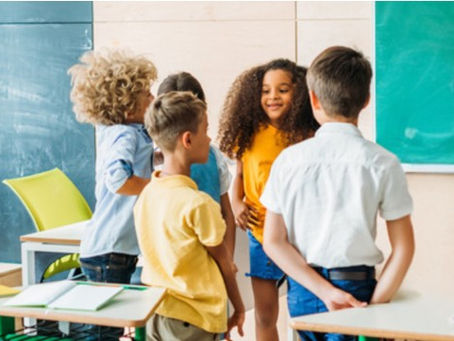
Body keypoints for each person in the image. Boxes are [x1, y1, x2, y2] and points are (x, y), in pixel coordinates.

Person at [261, 46, 415, 341]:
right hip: (357, 288)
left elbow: (274, 241)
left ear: (313, 99)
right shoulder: (383, 162)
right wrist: (374, 306)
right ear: (367, 100)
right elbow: (404, 248)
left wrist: (324, 291)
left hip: (304, 289)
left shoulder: (288, 161)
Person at [217, 59, 319, 340]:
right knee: (264, 315)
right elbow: (238, 175)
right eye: (265, 90)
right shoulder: (250, 133)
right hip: (260, 236)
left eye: (282, 90)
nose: (272, 97)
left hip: (299, 238)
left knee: (304, 313)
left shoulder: (307, 136)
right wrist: (237, 203)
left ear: (298, 94)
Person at [134, 91, 245, 341]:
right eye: (205, 131)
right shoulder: (198, 204)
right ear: (187, 140)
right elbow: (225, 264)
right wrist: (238, 308)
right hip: (193, 319)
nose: (208, 139)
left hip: (155, 313)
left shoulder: (147, 194)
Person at [68, 49, 157, 340]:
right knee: (104, 329)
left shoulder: (121, 132)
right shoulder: (125, 134)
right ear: (126, 104)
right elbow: (118, 178)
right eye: (146, 94)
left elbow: (138, 163)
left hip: (112, 248)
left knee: (108, 325)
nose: (153, 99)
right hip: (111, 250)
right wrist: (157, 186)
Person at [157, 72, 236, 260]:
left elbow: (227, 215)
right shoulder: (152, 159)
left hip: (211, 261)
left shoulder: (213, 155)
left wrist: (228, 261)